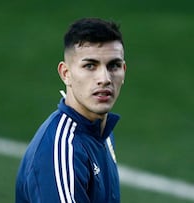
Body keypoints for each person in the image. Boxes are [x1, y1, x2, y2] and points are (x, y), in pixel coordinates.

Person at [15, 18, 127, 203]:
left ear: (123, 70)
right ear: (65, 74)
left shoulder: (101, 130)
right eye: (90, 66)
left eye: (113, 65)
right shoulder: (60, 150)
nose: (105, 78)